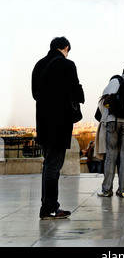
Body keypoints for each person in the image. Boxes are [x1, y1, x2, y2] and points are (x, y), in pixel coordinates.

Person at [32, 36, 85, 219]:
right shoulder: (67, 65)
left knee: (48, 164)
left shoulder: (39, 65)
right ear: (66, 48)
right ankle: (50, 208)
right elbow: (77, 93)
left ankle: (46, 204)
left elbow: (34, 94)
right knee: (54, 165)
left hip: (43, 121)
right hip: (59, 122)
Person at [97, 64, 124, 198]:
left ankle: (106, 190)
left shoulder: (115, 81)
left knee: (111, 155)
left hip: (113, 121)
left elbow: (103, 101)